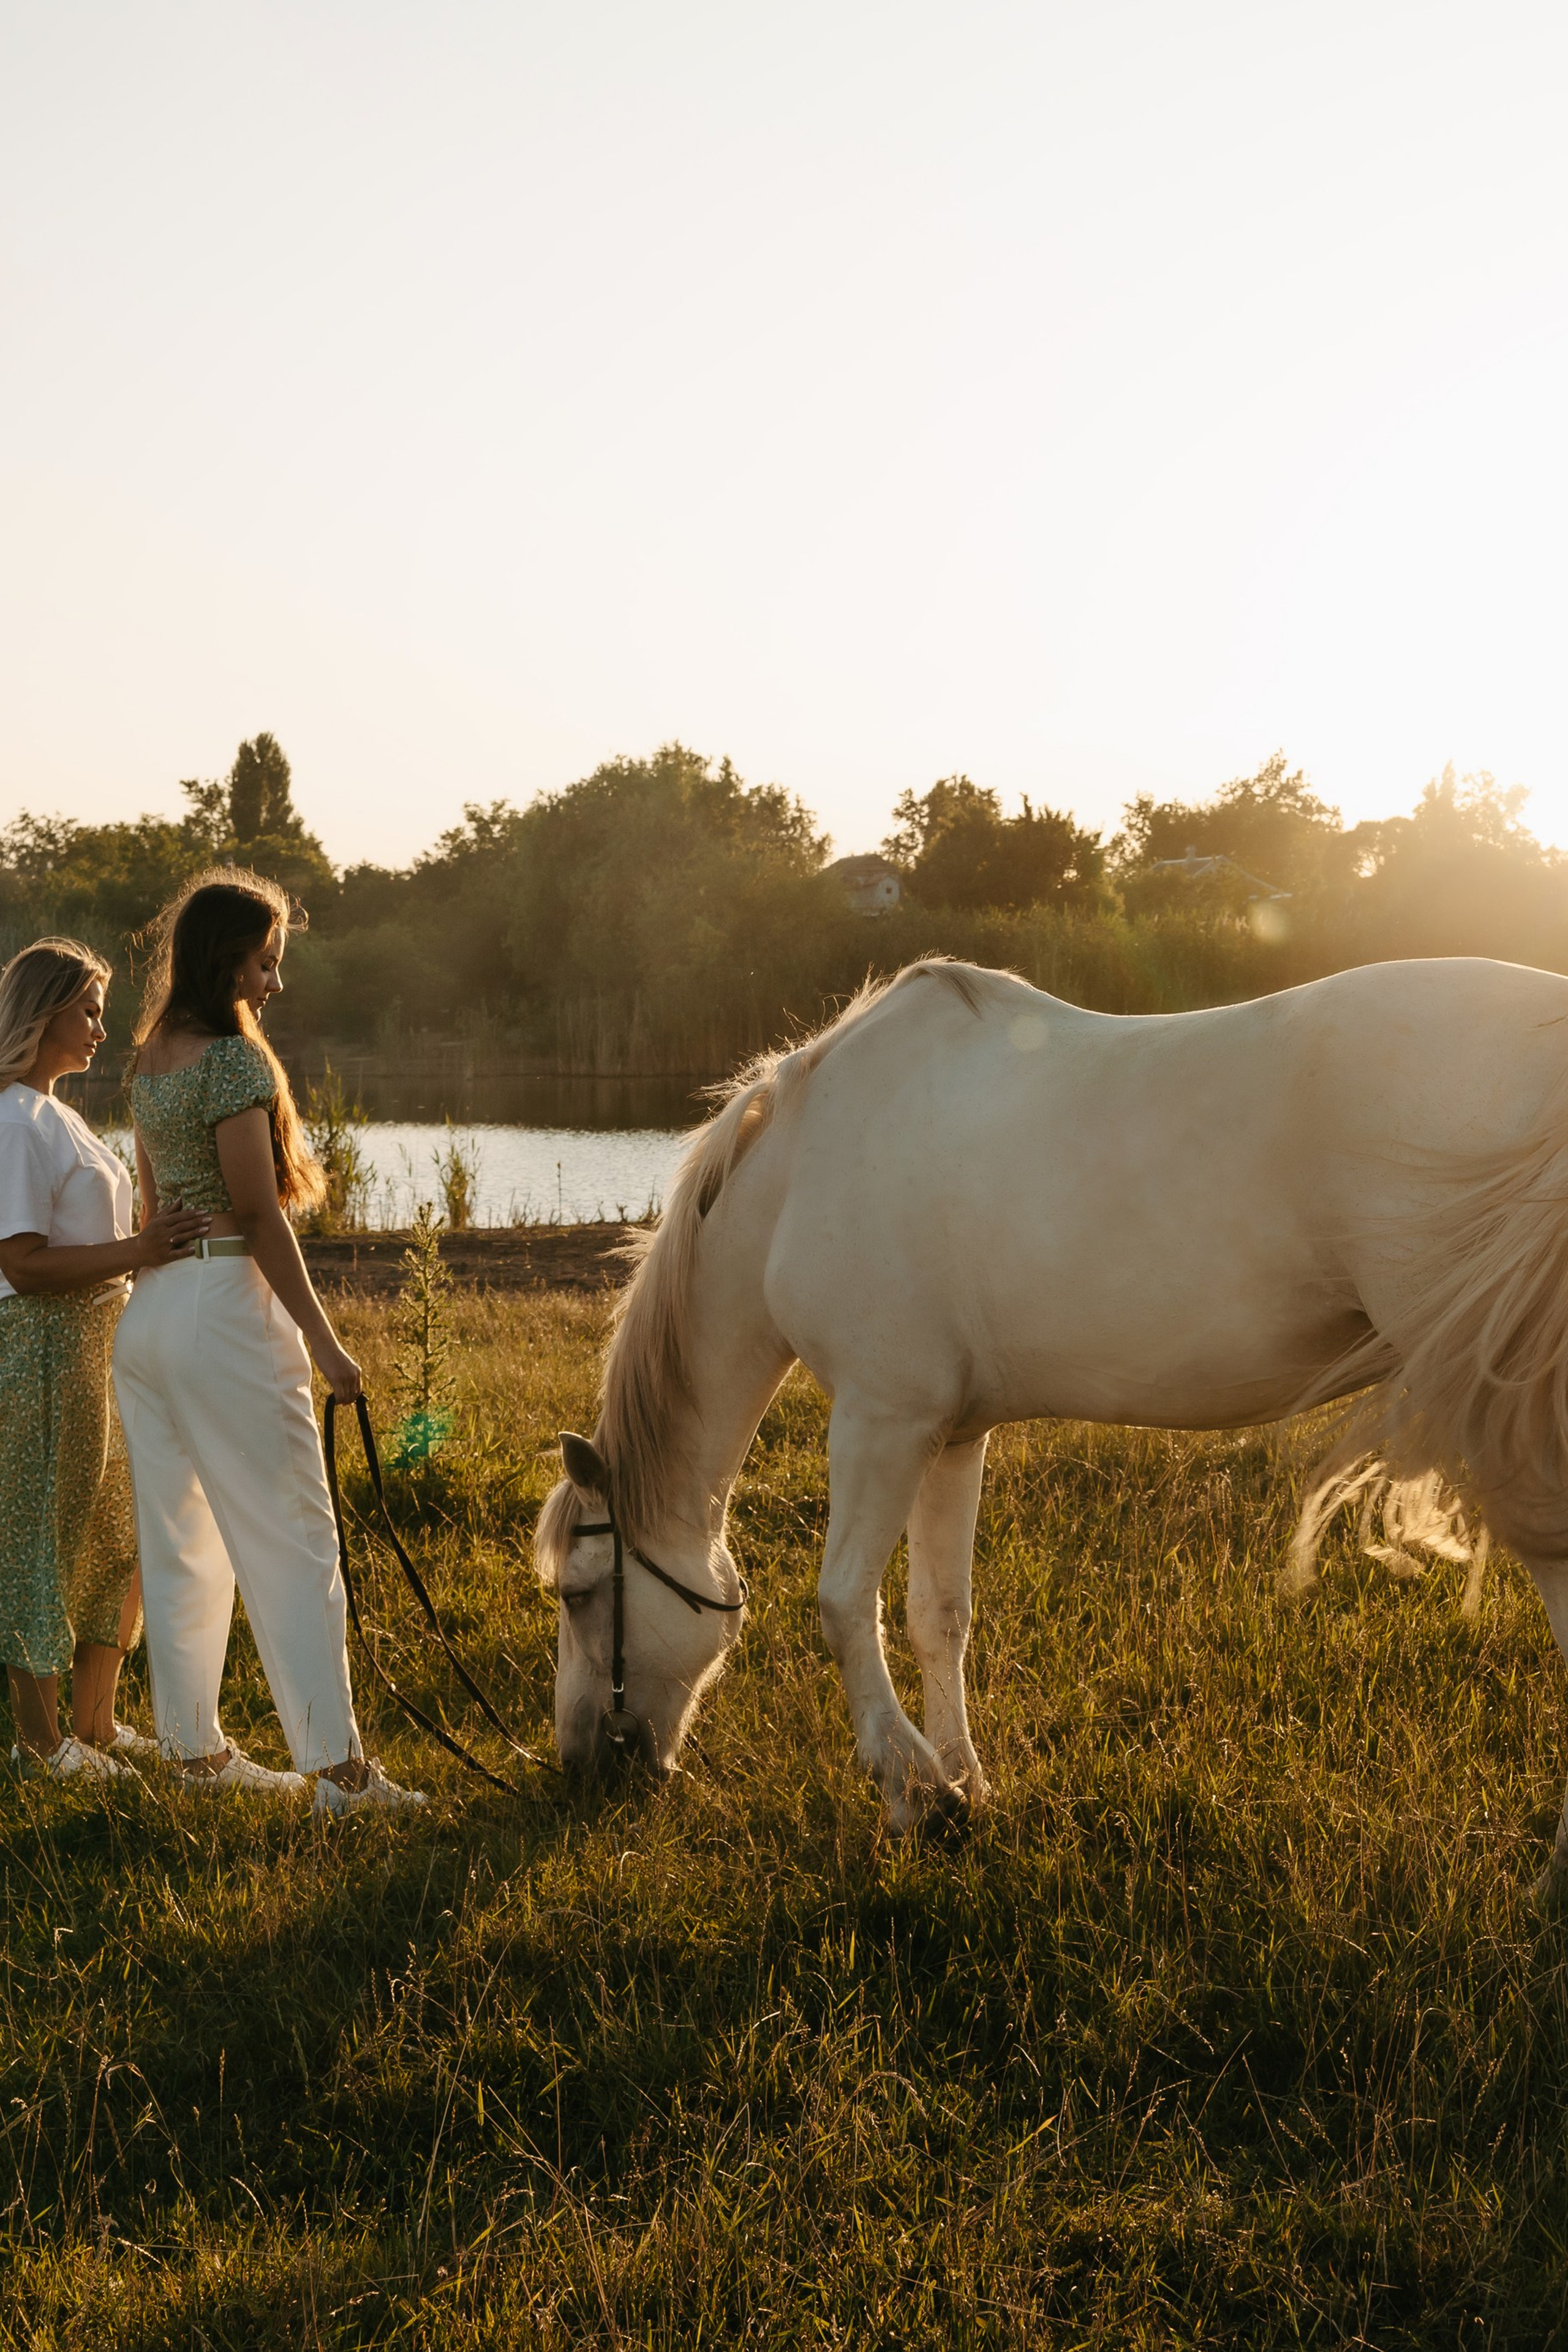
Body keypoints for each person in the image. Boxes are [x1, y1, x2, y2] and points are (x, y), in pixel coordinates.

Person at [112, 869, 424, 1813]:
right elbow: (258, 1213)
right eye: (264, 963)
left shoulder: (150, 1062)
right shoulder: (234, 1066)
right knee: (295, 1535)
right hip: (219, 1313)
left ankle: (193, 1753)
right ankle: (340, 1775)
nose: (274, 985)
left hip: (154, 1313)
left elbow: (156, 1207)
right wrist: (328, 1349)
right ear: (225, 960)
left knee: (181, 1537)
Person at [0, 938, 211, 1780]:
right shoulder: (14, 1119)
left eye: (101, 1009)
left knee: (115, 1534)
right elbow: (20, 1263)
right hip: (43, 1346)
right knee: (42, 1535)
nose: (101, 1026)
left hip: (96, 1343)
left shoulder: (60, 1114)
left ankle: (98, 1727)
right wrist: (139, 1251)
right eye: (86, 1009)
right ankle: (40, 1744)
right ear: (41, 1011)